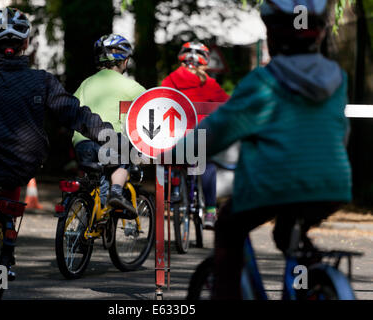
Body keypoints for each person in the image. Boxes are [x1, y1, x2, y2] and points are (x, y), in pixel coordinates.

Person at [169, 0, 351, 299]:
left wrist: (174, 153)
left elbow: (218, 130)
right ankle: (315, 282)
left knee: (229, 227)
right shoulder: (337, 78)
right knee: (288, 234)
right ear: (318, 33)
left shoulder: (264, 82)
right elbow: (341, 132)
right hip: (332, 185)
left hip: (274, 185)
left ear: (274, 36)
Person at [0, 7, 115, 282]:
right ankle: (6, 247)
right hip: (22, 162)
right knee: (10, 193)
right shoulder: (42, 82)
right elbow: (74, 113)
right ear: (26, 43)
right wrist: (107, 134)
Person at [71, 34, 146, 216]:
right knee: (126, 157)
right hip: (110, 141)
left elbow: (71, 106)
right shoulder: (131, 86)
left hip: (82, 143)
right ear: (125, 61)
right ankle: (117, 192)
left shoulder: (86, 83)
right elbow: (151, 105)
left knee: (95, 186)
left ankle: (89, 218)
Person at [161, 41, 230, 229]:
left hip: (175, 138)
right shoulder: (208, 83)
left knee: (170, 159)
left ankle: (172, 186)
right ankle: (209, 211)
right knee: (207, 164)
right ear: (204, 62)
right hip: (201, 138)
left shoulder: (171, 79)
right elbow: (227, 106)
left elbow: (160, 100)